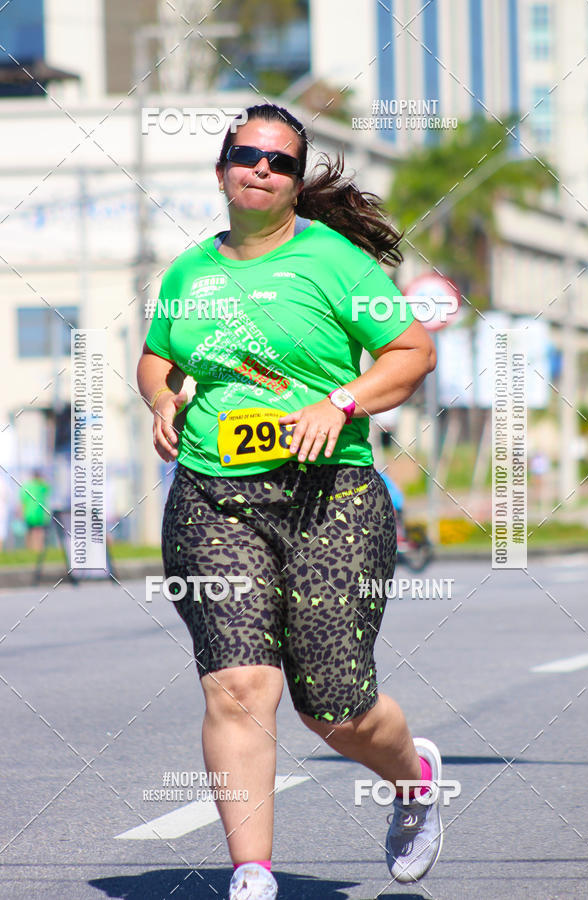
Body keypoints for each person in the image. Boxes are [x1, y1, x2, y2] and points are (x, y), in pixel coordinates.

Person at [137, 103, 442, 899]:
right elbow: (157, 357)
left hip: (330, 495)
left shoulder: (336, 264)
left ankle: (413, 779)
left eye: (280, 162)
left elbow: (412, 352)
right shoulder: (189, 273)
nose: (261, 169)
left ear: (296, 183)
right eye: (248, 155)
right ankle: (252, 875)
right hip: (214, 498)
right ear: (222, 170)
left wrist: (341, 402)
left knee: (334, 706)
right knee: (239, 686)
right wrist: (162, 398)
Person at [19, 469, 51, 553]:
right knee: (39, 532)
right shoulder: (42, 485)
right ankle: (38, 549)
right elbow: (48, 488)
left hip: (30, 513)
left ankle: (30, 550)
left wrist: (21, 512)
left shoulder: (27, 486)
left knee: (30, 532)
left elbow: (22, 501)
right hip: (40, 513)